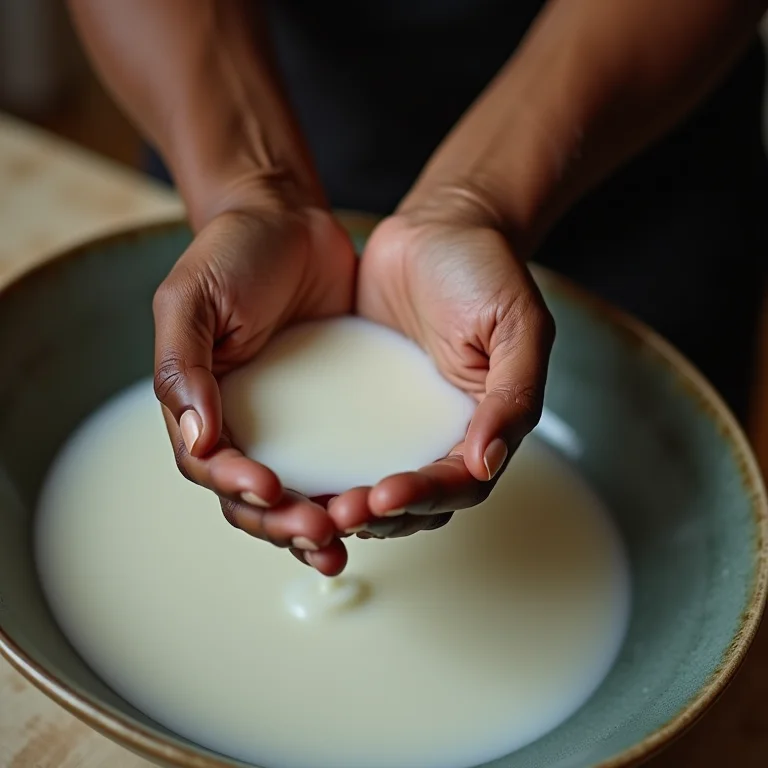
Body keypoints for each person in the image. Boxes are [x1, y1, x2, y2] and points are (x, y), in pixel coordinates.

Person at [68, 0, 768, 575]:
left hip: (633, 135)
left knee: (676, 561)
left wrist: (470, 201)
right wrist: (250, 190)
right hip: (228, 107)